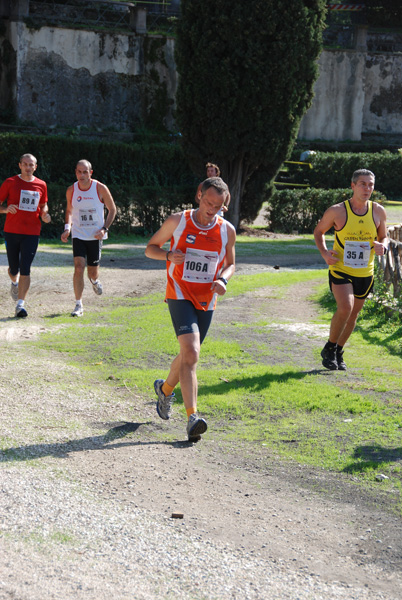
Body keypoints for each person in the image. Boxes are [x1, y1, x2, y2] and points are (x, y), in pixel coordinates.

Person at [145, 177, 236, 442]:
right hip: (180, 293)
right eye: (208, 202)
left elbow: (231, 263)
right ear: (199, 195)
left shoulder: (226, 229)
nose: (212, 208)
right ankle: (193, 417)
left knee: (188, 355)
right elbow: (150, 248)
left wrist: (223, 279)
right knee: (192, 351)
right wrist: (167, 256)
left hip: (207, 298)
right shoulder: (178, 221)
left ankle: (165, 389)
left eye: (218, 205)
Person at [314, 169, 388, 371]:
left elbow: (384, 236)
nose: (367, 188)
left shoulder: (378, 211)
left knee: (353, 315)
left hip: (365, 272)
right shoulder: (337, 210)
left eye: (371, 185)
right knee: (345, 308)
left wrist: (383, 245)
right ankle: (329, 347)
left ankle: (338, 350)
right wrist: (324, 253)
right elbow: (319, 231)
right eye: (363, 184)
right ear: (353, 186)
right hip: (341, 269)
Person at [61, 159, 116, 317]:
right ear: (76, 172)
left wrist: (104, 229)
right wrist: (67, 229)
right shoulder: (72, 190)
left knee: (92, 272)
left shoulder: (100, 188)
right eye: (79, 171)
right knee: (78, 267)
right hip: (78, 234)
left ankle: (94, 281)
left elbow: (112, 210)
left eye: (85, 172)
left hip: (95, 235)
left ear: (91, 173)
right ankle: (78, 305)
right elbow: (69, 211)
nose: (82, 175)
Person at [0, 153, 51, 318]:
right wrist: (5, 209)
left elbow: (44, 205)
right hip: (12, 231)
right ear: (20, 165)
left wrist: (45, 214)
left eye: (31, 165)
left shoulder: (41, 185)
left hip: (32, 232)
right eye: (25, 164)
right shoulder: (10, 182)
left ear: (35, 167)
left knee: (26, 268)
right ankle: (14, 283)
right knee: (13, 269)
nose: (28, 168)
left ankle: (20, 305)